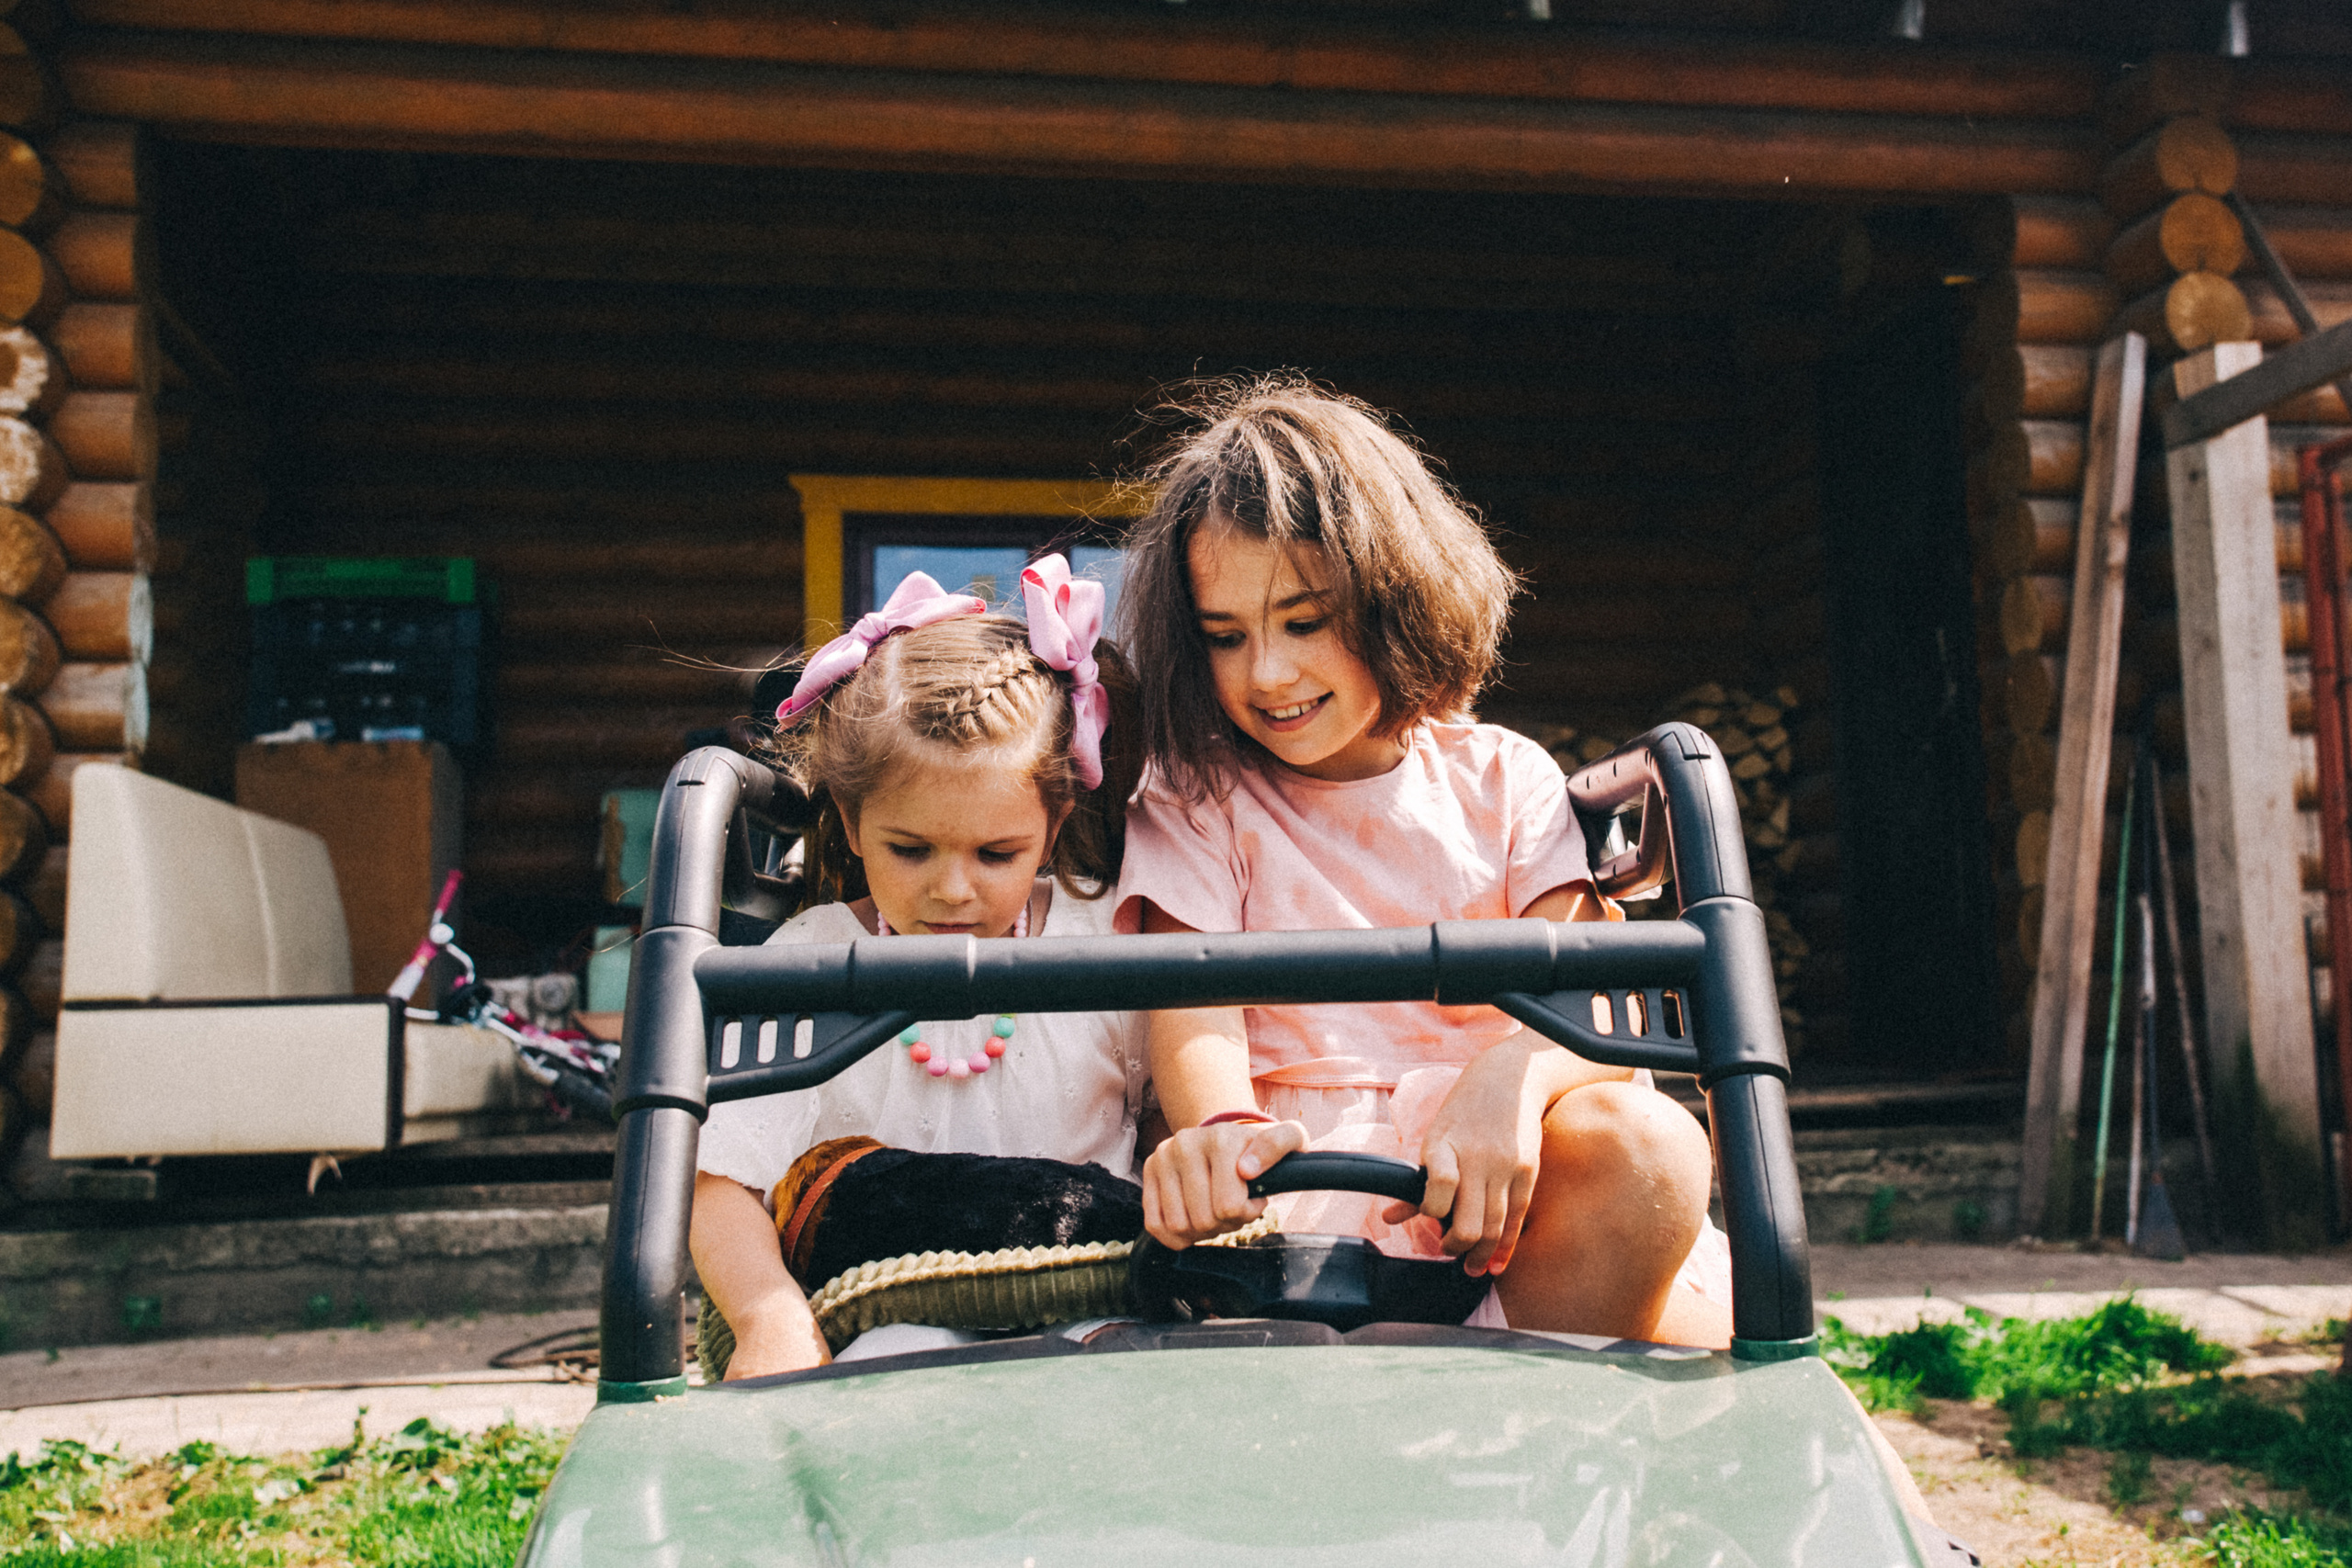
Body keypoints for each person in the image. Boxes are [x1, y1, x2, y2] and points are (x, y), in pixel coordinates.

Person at [1114, 377, 1732, 1348]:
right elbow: (1190, 1003)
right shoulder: (1197, 794)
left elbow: (1588, 1000)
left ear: (1392, 594)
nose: (1265, 673)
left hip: (1509, 1203)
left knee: (1650, 1149)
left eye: (1304, 621)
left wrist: (1510, 1080)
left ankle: (1526, 1435)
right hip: (1303, 1201)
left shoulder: (1502, 779)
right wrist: (1222, 1127)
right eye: (1224, 638)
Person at [691, 558, 1149, 1378]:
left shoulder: (1099, 944)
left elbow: (1164, 1126)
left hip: (1090, 1310)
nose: (952, 887)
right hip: (884, 1314)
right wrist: (769, 1318)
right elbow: (722, 1180)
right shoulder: (811, 964)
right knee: (899, 1364)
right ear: (852, 822)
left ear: (1054, 826)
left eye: (996, 852)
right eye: (911, 849)